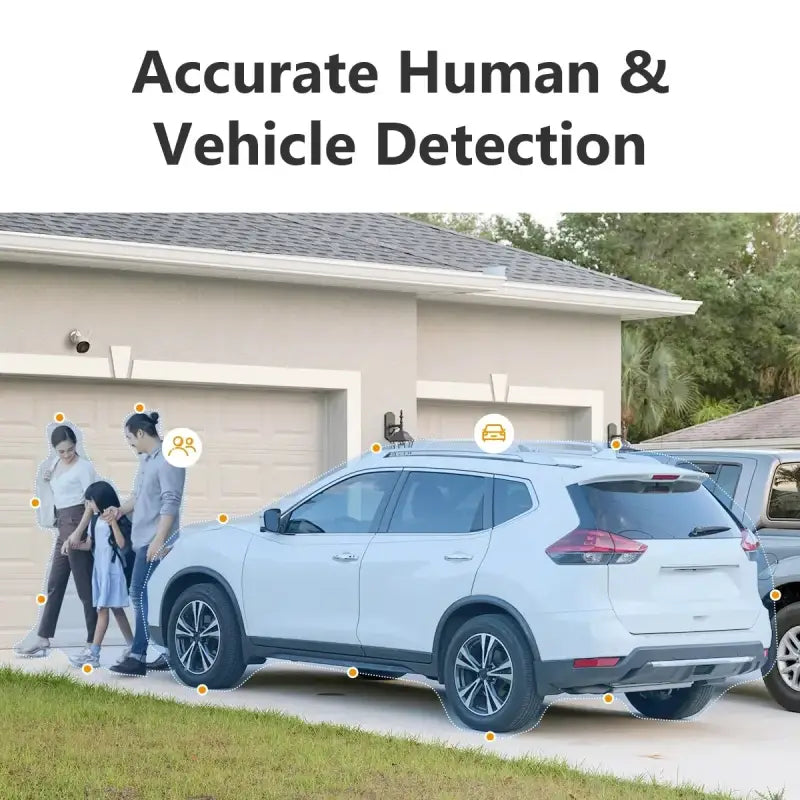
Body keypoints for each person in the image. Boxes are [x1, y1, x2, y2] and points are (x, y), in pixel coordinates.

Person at [84, 411, 185, 677]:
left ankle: (138, 655)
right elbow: (138, 498)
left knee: (138, 592)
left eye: (130, 437)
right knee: (145, 594)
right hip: (143, 540)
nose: (129, 443)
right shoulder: (147, 461)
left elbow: (170, 501)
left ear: (140, 433)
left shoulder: (168, 460)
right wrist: (118, 511)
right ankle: (161, 652)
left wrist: (160, 540)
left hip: (156, 541)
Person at [15, 424, 98, 660]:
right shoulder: (54, 465)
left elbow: (90, 504)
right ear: (54, 450)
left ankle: (93, 643)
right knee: (55, 583)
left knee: (84, 587)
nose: (67, 455)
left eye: (70, 449)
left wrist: (78, 534)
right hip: (63, 524)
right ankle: (43, 637)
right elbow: (48, 490)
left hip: (77, 523)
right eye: (61, 451)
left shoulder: (84, 468)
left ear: (76, 445)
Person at [67, 481, 134, 668]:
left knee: (103, 610)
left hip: (113, 571)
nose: (89, 505)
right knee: (117, 610)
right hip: (100, 570)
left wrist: (113, 523)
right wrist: (75, 545)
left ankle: (93, 653)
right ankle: (133, 646)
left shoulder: (118, 518)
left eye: (91, 501)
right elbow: (90, 544)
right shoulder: (95, 520)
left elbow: (122, 545)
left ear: (101, 500)